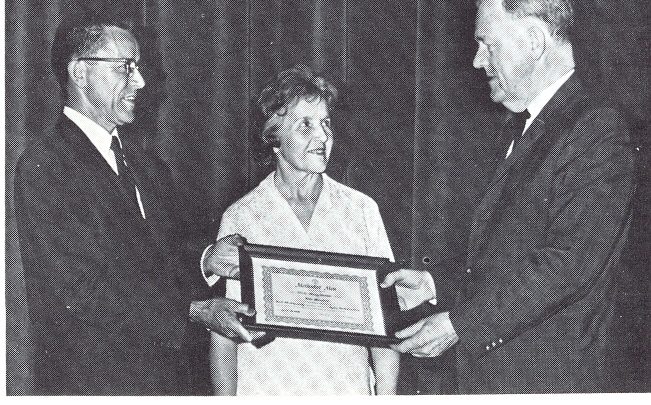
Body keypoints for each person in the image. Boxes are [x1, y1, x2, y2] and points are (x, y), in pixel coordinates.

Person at [382, 0, 635, 393]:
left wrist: (458, 325)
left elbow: (565, 265)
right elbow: (505, 258)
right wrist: (435, 286)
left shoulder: (596, 130)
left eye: (488, 44)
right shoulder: (525, 126)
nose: (478, 61)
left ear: (534, 41)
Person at [14, 10, 254, 395]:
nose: (139, 81)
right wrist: (194, 312)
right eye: (125, 67)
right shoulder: (46, 166)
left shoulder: (147, 167)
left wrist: (207, 259)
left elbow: (158, 257)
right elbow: (79, 290)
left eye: (137, 67)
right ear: (80, 73)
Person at [206, 65, 400, 395]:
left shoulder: (361, 210)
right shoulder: (241, 216)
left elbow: (385, 323)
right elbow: (225, 333)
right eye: (305, 125)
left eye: (325, 124)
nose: (322, 136)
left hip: (345, 389)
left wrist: (387, 397)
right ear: (273, 137)